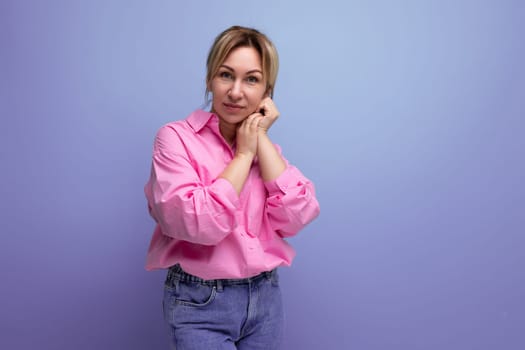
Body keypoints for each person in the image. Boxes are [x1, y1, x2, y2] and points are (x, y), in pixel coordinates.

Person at [144, 25, 320, 349]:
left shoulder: (265, 150)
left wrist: (260, 138)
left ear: (268, 91)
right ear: (210, 78)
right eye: (226, 75)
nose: (236, 92)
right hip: (200, 302)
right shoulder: (175, 139)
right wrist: (243, 155)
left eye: (251, 79)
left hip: (266, 299)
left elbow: (297, 216)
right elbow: (199, 224)